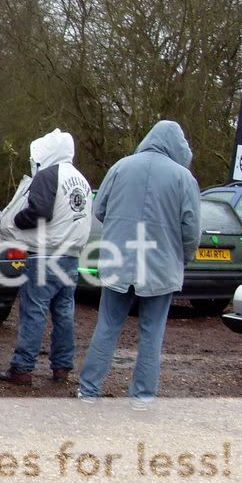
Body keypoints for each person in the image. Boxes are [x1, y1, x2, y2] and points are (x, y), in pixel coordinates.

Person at [77, 120, 201, 408]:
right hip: (160, 267)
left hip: (118, 262)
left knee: (107, 326)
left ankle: (88, 390)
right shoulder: (184, 178)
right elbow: (191, 230)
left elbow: (100, 209)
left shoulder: (120, 167)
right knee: (152, 333)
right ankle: (142, 398)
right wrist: (183, 257)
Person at [0, 129, 92, 386]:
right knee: (64, 312)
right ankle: (62, 368)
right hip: (71, 256)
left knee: (34, 311)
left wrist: (16, 220)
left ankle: (22, 368)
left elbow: (38, 211)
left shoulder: (49, 175)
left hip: (45, 255)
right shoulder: (81, 179)